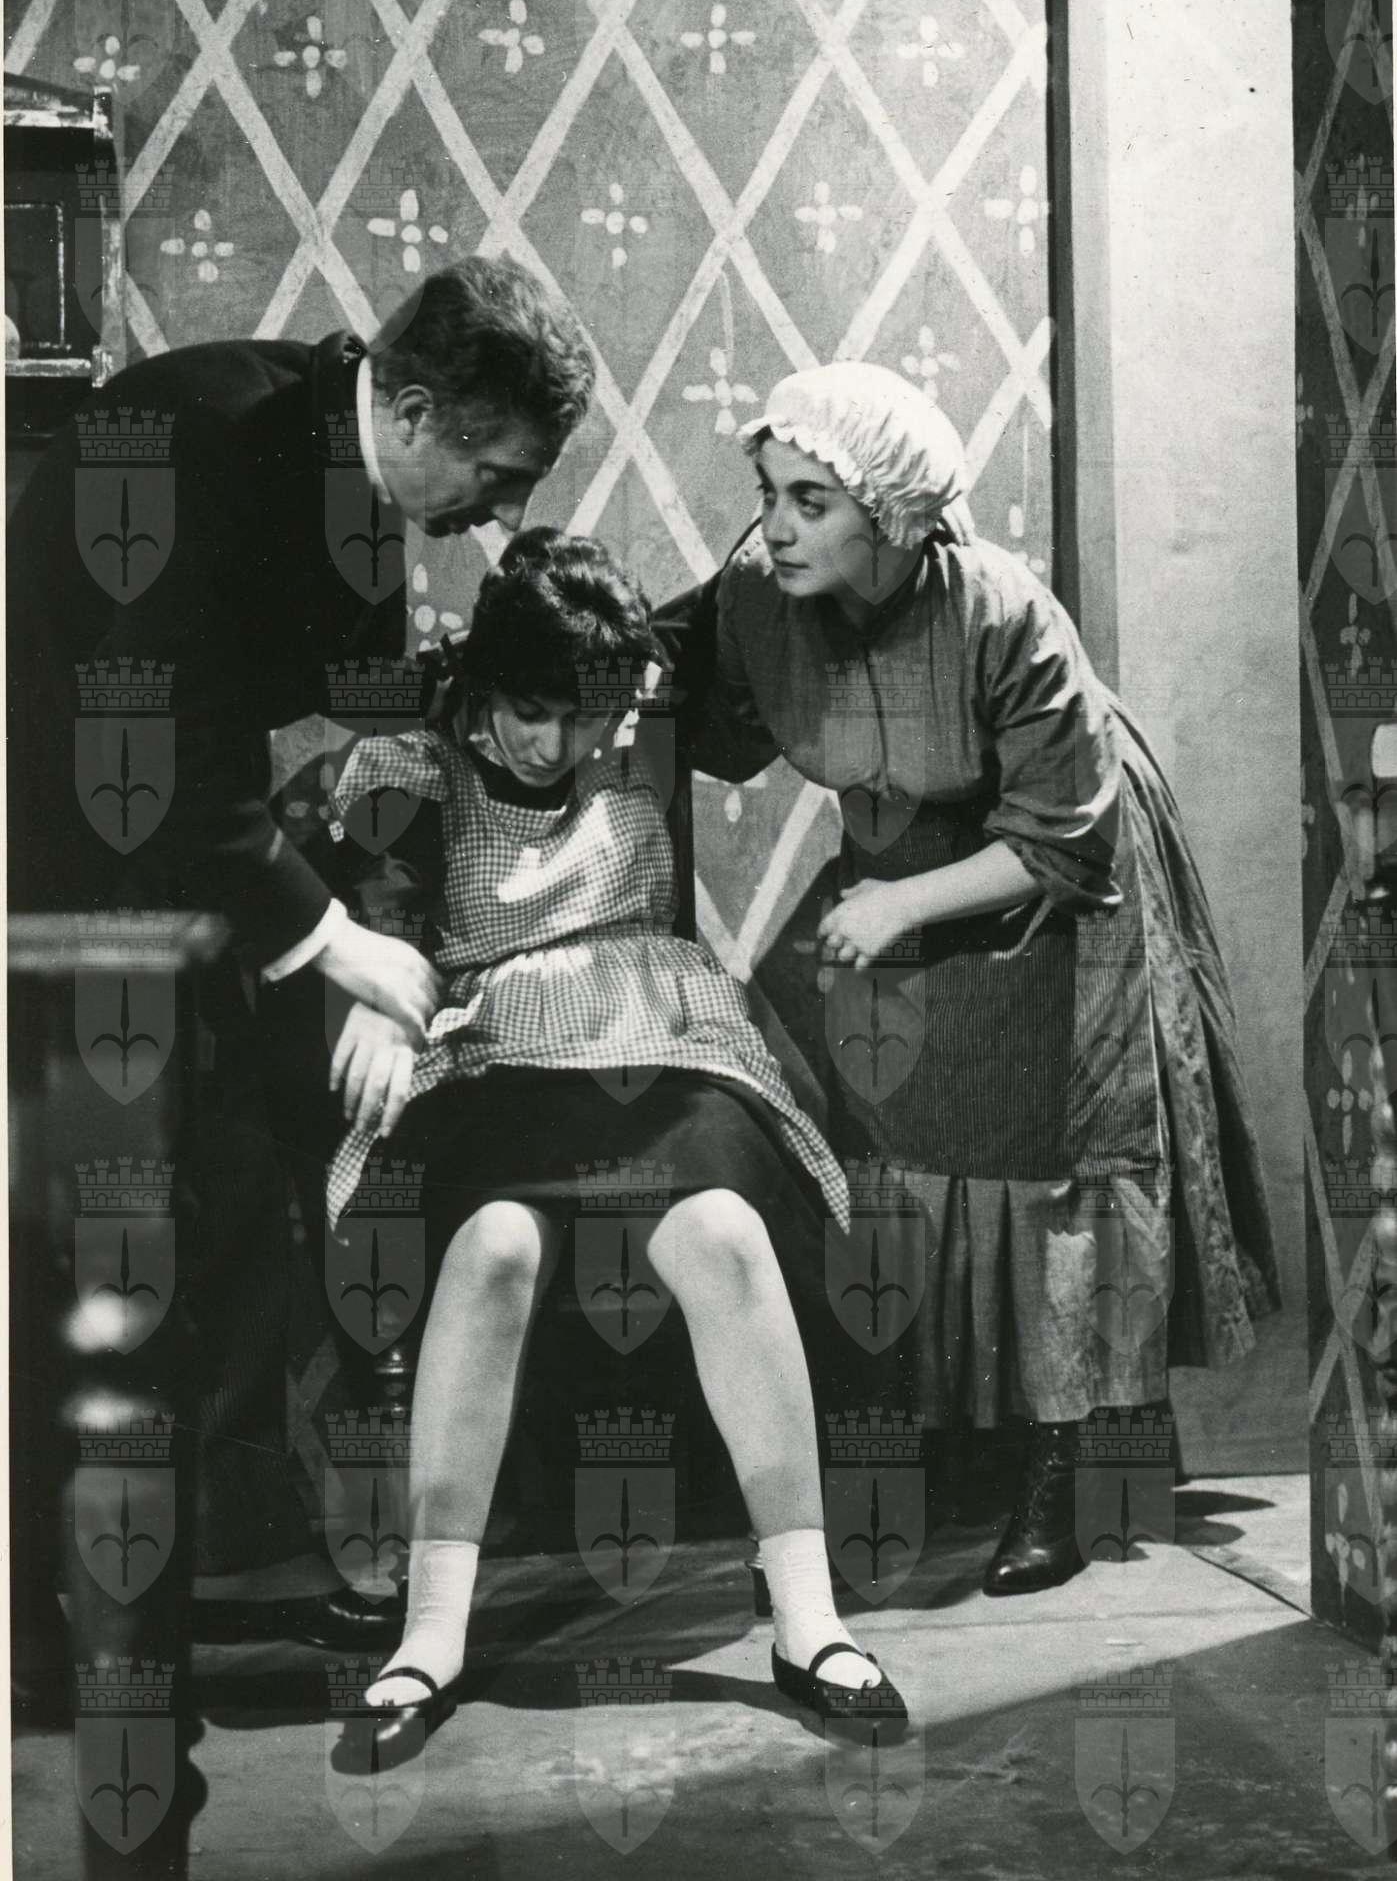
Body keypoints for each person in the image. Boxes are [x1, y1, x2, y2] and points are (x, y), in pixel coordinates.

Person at [8, 255, 594, 1646]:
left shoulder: (350, 453)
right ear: (418, 412)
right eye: (498, 476)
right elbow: (157, 761)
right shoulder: (197, 446)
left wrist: (379, 948)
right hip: (54, 885)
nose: (503, 513)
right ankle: (40, 1631)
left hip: (169, 885)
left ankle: (165, 1593)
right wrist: (334, 945)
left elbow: (344, 712)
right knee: (90, 1261)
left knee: (216, 1221)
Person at [654, 362, 1282, 1596]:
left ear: (890, 513)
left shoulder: (1002, 611)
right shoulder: (758, 590)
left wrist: (899, 904)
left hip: (1056, 864)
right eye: (768, 494)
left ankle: (1063, 1465)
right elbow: (677, 690)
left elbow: (1064, 836)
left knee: (1049, 1153)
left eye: (810, 502)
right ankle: (935, 1441)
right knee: (855, 1109)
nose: (774, 525)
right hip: (900, 852)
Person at [321, 527, 907, 1760]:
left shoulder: (637, 729)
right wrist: (381, 993)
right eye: (531, 713)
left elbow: (742, 584)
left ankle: (807, 1617)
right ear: (486, 680)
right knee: (490, 1249)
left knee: (724, 1232)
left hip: (660, 1043)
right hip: (497, 1054)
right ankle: (428, 1635)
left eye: (583, 716)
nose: (557, 744)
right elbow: (381, 914)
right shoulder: (412, 763)